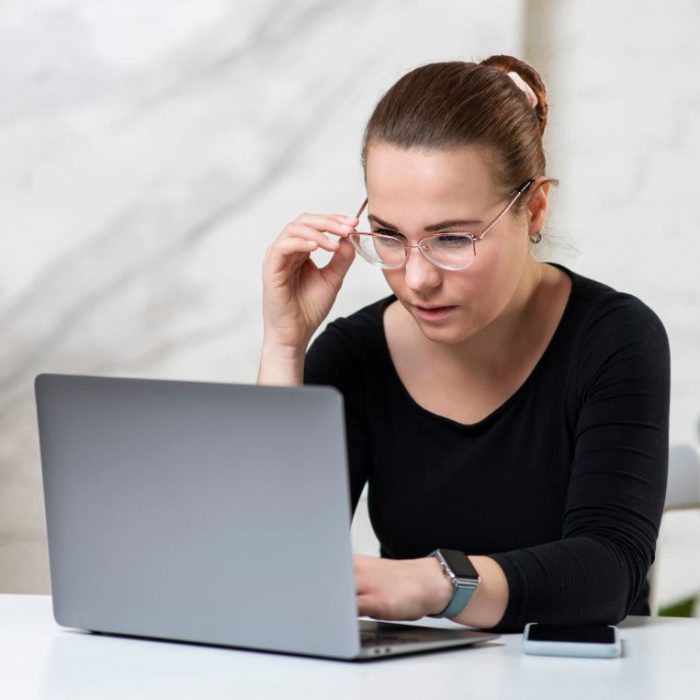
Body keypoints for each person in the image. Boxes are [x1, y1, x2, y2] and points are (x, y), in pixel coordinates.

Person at [258, 55, 670, 632]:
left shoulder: (613, 338)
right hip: (410, 678)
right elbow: (276, 570)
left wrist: (436, 584)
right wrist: (284, 344)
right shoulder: (353, 354)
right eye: (390, 237)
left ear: (534, 209)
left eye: (451, 238)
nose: (418, 278)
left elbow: (608, 571)